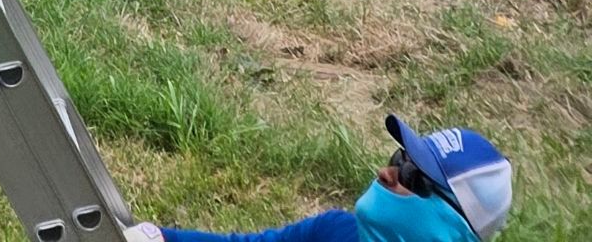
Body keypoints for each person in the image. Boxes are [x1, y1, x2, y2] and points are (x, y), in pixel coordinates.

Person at [125, 117, 515, 242]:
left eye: (412, 175)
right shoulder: (338, 231)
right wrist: (159, 237)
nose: (387, 172)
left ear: (452, 223)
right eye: (399, 158)